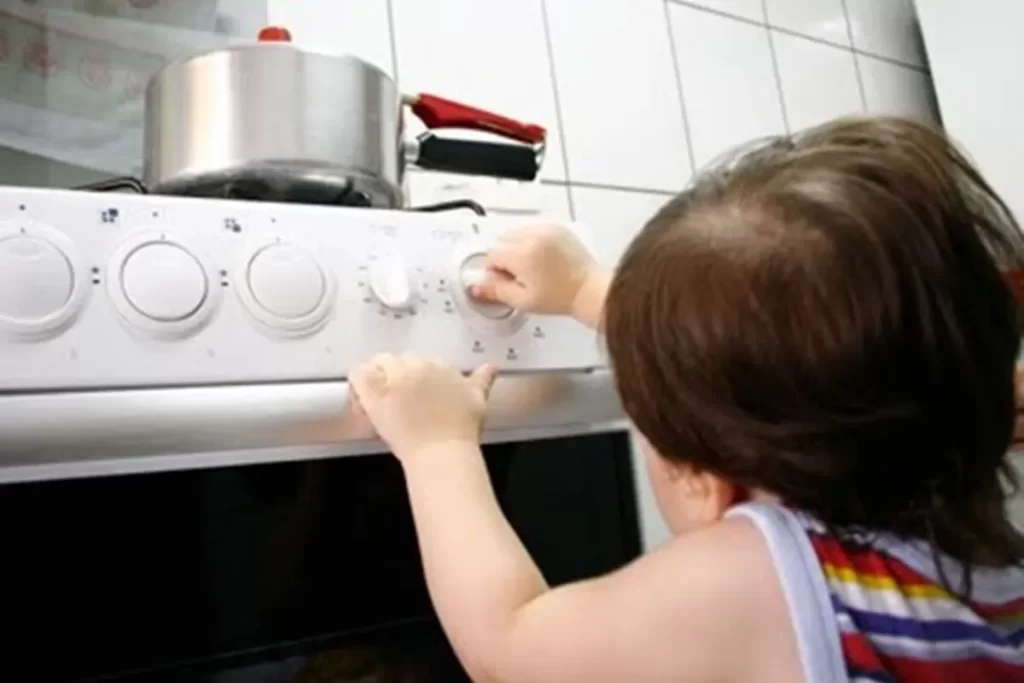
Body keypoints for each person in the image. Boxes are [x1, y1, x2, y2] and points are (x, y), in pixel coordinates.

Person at [349, 117, 1024, 683]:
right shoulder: (978, 548)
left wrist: (438, 447)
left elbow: (507, 647)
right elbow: (788, 356)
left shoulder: (770, 582)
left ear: (705, 480)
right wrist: (583, 285)